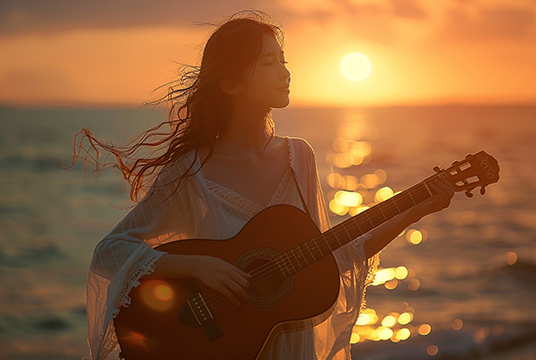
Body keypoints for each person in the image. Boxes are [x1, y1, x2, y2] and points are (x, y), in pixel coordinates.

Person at [70, 10, 454, 360]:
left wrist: (416, 209)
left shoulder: (299, 157)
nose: (285, 73)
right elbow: (111, 253)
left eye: (283, 62)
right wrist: (197, 266)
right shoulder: (191, 171)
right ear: (233, 83)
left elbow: (330, 259)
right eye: (269, 64)